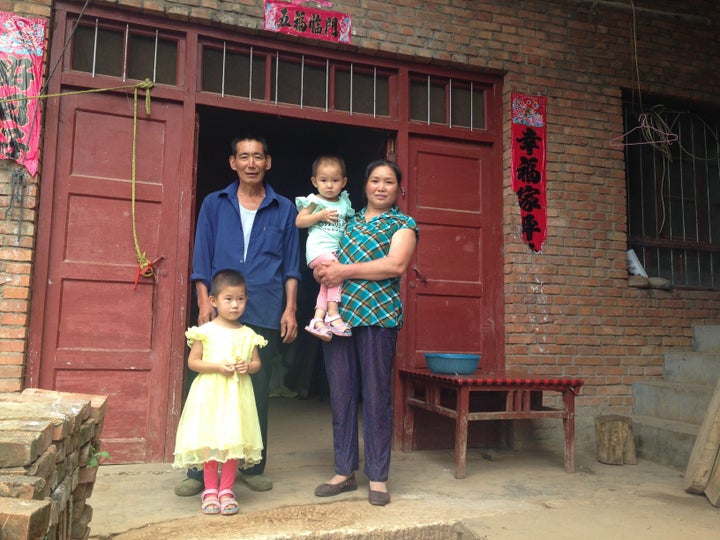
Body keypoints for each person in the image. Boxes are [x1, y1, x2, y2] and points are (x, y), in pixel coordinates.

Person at [175, 134, 301, 497]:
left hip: (263, 307)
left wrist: (290, 308)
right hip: (218, 310)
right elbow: (202, 259)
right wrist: (203, 302)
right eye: (243, 157)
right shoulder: (215, 204)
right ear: (233, 162)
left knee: (255, 390)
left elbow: (292, 266)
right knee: (207, 392)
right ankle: (198, 472)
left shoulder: (285, 208)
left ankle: (252, 466)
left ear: (268, 162)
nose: (250, 163)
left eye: (257, 156)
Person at [312, 159, 418, 506]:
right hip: (339, 318)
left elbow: (395, 265)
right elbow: (325, 251)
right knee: (341, 394)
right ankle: (344, 471)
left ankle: (378, 477)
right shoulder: (349, 220)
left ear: (398, 189)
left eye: (389, 181)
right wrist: (324, 271)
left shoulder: (403, 223)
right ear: (364, 185)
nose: (381, 187)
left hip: (378, 316)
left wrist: (344, 271)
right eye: (375, 180)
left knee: (376, 395)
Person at [173, 269, 267, 515]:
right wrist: (216, 366)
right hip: (210, 396)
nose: (235, 305)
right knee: (210, 442)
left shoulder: (248, 335)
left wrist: (248, 367)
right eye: (228, 299)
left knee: (231, 442)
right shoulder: (204, 332)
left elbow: (256, 364)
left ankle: (226, 489)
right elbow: (193, 363)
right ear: (213, 301)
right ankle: (210, 489)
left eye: (241, 299)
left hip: (236, 398)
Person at [295, 155, 355, 341]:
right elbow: (299, 221)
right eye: (323, 180)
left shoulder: (344, 202)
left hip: (335, 251)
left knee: (327, 283)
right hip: (318, 250)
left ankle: (318, 319)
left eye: (335, 180)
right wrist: (319, 215)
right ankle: (333, 314)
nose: (329, 185)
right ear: (314, 181)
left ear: (343, 182)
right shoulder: (315, 201)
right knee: (337, 273)